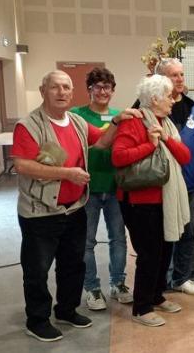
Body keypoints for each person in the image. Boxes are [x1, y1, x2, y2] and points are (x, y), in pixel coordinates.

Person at [12, 70, 139, 342]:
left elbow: (103, 141)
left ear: (72, 92)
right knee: (37, 269)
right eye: (55, 87)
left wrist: (117, 120)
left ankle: (66, 310)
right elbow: (22, 165)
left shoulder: (78, 122)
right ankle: (37, 320)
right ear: (43, 90)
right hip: (40, 212)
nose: (61, 92)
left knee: (73, 264)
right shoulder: (29, 125)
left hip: (74, 207)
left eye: (66, 87)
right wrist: (68, 173)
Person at [112, 74, 191, 327]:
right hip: (139, 201)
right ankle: (141, 307)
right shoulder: (134, 123)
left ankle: (157, 296)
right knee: (149, 253)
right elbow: (119, 157)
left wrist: (164, 138)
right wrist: (151, 145)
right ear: (155, 99)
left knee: (165, 248)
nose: (172, 100)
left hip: (165, 201)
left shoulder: (165, 123)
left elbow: (185, 156)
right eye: (168, 96)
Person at [70, 67, 132, 311]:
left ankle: (118, 284)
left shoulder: (121, 115)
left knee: (118, 238)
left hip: (115, 187)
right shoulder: (77, 115)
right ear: (89, 90)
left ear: (113, 90)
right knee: (87, 241)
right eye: (98, 86)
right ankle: (92, 288)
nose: (103, 91)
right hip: (88, 187)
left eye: (107, 87)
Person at [154, 59, 194, 296]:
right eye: (174, 75)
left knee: (188, 231)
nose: (180, 79)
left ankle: (182, 278)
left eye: (182, 74)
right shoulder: (151, 107)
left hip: (191, 182)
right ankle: (158, 280)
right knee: (162, 232)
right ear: (161, 79)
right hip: (161, 183)